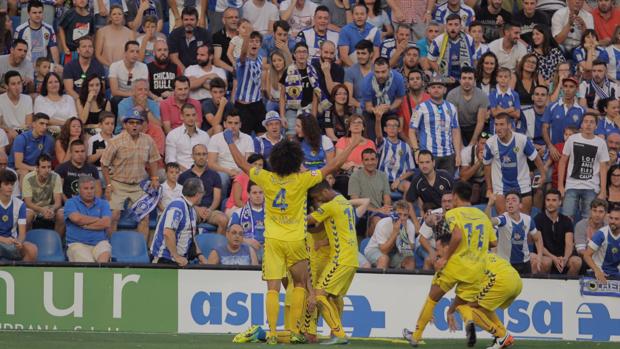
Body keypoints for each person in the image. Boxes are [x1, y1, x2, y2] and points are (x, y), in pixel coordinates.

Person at [223, 124, 363, 343]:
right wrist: (352, 144)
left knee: (272, 288)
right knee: (300, 284)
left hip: (273, 240)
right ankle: (296, 331)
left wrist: (230, 141)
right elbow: (333, 165)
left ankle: (270, 333)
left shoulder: (266, 178)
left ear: (276, 160)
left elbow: (242, 163)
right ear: (295, 160)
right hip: (296, 240)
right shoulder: (302, 180)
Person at [403, 181, 497, 347]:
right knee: (464, 304)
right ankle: (469, 323)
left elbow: (458, 236)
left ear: (455, 196)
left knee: (432, 298)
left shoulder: (453, 214)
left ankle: (416, 336)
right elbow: (493, 243)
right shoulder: (483, 216)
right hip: (476, 269)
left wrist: (445, 258)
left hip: (456, 265)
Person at [306, 180, 360, 345]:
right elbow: (325, 227)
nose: (319, 202)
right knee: (335, 296)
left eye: (317, 198)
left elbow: (308, 220)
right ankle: (334, 333)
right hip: (352, 258)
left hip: (340, 258)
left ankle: (339, 334)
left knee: (319, 294)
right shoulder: (344, 201)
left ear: (323, 193)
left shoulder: (330, 206)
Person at [443, 243, 521, 349]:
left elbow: (461, 298)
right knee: (482, 307)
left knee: (465, 307)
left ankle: (501, 335)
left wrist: (450, 311)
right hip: (516, 279)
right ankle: (505, 337)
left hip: (500, 280)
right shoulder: (480, 253)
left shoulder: (463, 263)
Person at [101, 107, 161, 239]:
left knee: (144, 217)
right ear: (125, 124)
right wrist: (109, 185)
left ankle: (141, 251)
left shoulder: (148, 140)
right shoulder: (115, 141)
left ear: (142, 125)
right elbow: (104, 164)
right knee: (114, 215)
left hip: (139, 185)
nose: (134, 126)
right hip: (118, 183)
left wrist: (155, 178)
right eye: (131, 123)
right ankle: (111, 249)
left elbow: (153, 160)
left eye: (137, 123)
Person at [483, 113, 545, 214]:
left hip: (522, 184)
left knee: (525, 220)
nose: (498, 128)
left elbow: (536, 158)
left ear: (509, 125)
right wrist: (489, 188)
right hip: (500, 186)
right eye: (496, 124)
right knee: (504, 222)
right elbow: (487, 165)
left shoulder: (522, 139)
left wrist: (543, 175)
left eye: (502, 124)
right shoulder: (490, 143)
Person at [559, 113, 609, 219]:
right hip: (572, 185)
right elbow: (562, 162)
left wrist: (603, 190)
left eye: (592, 122)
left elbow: (603, 168)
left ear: (596, 126)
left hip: (591, 187)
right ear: (581, 124)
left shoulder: (601, 143)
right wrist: (560, 185)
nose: (588, 125)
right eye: (586, 121)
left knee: (589, 219)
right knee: (566, 218)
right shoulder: (572, 139)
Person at [409, 77, 462, 173]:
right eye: (433, 87)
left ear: (445, 90)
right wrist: (416, 151)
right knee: (428, 185)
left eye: (439, 87)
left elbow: (455, 131)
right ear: (428, 90)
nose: (436, 90)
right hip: (428, 155)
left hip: (448, 155)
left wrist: (458, 153)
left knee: (448, 185)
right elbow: (412, 131)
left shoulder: (452, 107)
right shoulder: (420, 107)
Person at [150, 177, 208, 266]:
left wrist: (200, 256)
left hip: (179, 260)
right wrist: (176, 256)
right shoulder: (177, 206)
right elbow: (168, 232)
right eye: (202, 193)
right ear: (197, 194)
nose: (203, 196)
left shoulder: (191, 209)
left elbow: (190, 236)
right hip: (164, 260)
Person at [486, 191, 546, 275]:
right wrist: (489, 205)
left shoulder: (528, 219)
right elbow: (489, 221)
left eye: (513, 200)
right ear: (506, 206)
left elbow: (537, 238)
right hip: (506, 264)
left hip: (525, 263)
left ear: (520, 205)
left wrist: (539, 256)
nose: (510, 202)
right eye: (507, 201)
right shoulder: (503, 219)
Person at [178, 144, 228, 234]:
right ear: (192, 156)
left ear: (207, 156)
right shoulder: (184, 176)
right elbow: (182, 197)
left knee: (223, 220)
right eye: (198, 154)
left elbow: (217, 198)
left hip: (210, 210)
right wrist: (197, 209)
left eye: (204, 154)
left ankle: (217, 246)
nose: (201, 157)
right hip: (191, 209)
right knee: (182, 218)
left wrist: (210, 210)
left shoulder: (214, 175)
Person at [535, 189, 583, 275]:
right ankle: (543, 287)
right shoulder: (538, 219)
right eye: (548, 200)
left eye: (554, 200)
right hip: (546, 256)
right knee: (546, 262)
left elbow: (569, 243)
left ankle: (567, 287)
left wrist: (565, 258)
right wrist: (553, 258)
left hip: (562, 257)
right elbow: (539, 244)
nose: (550, 203)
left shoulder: (566, 220)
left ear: (560, 202)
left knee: (577, 261)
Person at [64, 176, 111, 262]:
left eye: (92, 188)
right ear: (79, 190)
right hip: (77, 243)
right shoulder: (70, 202)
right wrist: (98, 219)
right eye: (86, 188)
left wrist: (85, 225)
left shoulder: (103, 203)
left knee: (103, 260)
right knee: (88, 263)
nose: (89, 191)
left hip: (100, 242)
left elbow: (106, 223)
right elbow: (77, 219)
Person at [207, 112, 254, 200]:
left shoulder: (248, 139)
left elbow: (248, 163)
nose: (233, 126)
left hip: (241, 171)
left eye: (236, 123)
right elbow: (211, 164)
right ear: (224, 124)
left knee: (249, 177)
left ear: (240, 125)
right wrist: (228, 171)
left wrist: (239, 173)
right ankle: (220, 207)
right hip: (222, 170)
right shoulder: (215, 138)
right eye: (230, 123)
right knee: (223, 178)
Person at [279, 42, 321, 137]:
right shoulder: (288, 71)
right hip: (292, 109)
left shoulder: (313, 71)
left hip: (308, 108)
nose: (301, 54)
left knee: (309, 135)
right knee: (291, 135)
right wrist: (282, 116)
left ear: (308, 54)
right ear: (294, 55)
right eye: (298, 52)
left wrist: (313, 116)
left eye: (304, 52)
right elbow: (282, 96)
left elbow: (315, 96)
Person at [362, 56, 406, 141]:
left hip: (390, 111)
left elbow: (399, 99)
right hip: (371, 113)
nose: (380, 75)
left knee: (392, 137)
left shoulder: (398, 78)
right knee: (373, 139)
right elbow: (368, 106)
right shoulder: (366, 82)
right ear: (373, 70)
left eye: (383, 72)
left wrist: (390, 108)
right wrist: (377, 110)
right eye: (377, 72)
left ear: (389, 69)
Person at [348, 148, 392, 233]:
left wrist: (386, 208)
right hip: (363, 215)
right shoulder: (355, 176)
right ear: (362, 162)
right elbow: (355, 202)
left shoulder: (382, 175)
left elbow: (387, 196)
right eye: (366, 160)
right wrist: (377, 211)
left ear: (377, 160)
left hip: (380, 211)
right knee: (378, 221)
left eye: (372, 159)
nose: (370, 163)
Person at [405, 150, 453, 226]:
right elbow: (408, 201)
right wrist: (416, 223)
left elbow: (457, 197)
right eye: (421, 162)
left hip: (450, 214)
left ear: (433, 163)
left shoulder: (445, 177)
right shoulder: (417, 182)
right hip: (431, 217)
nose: (424, 166)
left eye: (427, 162)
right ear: (418, 163)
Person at [363, 200, 415, 269]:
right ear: (393, 214)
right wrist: (395, 232)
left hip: (395, 252)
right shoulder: (383, 224)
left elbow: (407, 251)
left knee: (410, 260)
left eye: (405, 215)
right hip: (375, 249)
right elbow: (384, 251)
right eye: (399, 214)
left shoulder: (410, 225)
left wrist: (403, 232)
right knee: (384, 259)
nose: (402, 218)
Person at [0, 169, 37, 262]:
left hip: (12, 243)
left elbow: (22, 233)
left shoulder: (20, 204)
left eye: (12, 184)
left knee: (32, 249)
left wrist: (19, 242)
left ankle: (24, 275)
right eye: (6, 184)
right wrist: (3, 239)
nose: (10, 187)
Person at [427, 14, 475, 85]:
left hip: (464, 77)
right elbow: (430, 60)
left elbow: (472, 58)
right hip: (445, 78)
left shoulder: (469, 39)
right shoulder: (438, 41)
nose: (453, 28)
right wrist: (443, 75)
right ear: (446, 26)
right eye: (450, 24)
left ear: (461, 26)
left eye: (456, 24)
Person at [446, 67, 489, 146]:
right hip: (457, 127)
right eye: (464, 78)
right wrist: (460, 145)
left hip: (474, 127)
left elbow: (480, 122)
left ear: (474, 81)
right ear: (460, 80)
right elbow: (455, 122)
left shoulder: (482, 96)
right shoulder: (452, 95)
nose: (467, 81)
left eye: (470, 78)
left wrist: (472, 144)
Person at [542, 76, 586, 153]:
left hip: (573, 152)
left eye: (571, 87)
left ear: (577, 89)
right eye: (565, 86)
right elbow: (544, 128)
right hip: (553, 151)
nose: (567, 90)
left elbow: (582, 132)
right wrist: (550, 146)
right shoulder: (552, 106)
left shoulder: (581, 110)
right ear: (562, 88)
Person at [236, 31, 267, 135]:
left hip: (258, 104)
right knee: (244, 138)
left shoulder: (261, 60)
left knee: (263, 135)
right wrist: (246, 36)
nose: (254, 44)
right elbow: (243, 54)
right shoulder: (241, 61)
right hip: (243, 105)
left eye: (257, 41)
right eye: (251, 41)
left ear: (260, 44)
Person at [22, 154, 63, 233]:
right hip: (33, 208)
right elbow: (28, 203)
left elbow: (58, 202)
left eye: (49, 167)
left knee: (61, 215)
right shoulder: (28, 178)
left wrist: (51, 209)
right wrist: (42, 210)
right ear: (37, 168)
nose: (47, 170)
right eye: (43, 167)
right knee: (27, 216)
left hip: (50, 208)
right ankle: (26, 242)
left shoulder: (56, 177)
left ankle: (58, 242)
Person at [165, 103, 210, 171]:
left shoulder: (204, 135)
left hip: (201, 172)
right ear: (181, 116)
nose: (191, 118)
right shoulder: (173, 135)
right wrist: (188, 172)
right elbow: (170, 160)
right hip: (179, 173)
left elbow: (208, 158)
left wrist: (198, 171)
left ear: (196, 116)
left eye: (193, 115)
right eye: (188, 115)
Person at [376, 115, 415, 194]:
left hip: (399, 181)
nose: (392, 128)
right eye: (389, 125)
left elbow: (411, 170)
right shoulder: (383, 142)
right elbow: (379, 136)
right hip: (382, 181)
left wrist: (399, 180)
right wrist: (378, 119)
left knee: (408, 186)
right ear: (385, 129)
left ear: (399, 129)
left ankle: (406, 206)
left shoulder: (405, 146)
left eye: (395, 126)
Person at [9, 112, 54, 179]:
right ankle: (25, 190)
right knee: (25, 172)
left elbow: (45, 160)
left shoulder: (49, 140)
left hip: (36, 168)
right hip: (15, 169)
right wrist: (35, 169)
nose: (44, 127)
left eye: (46, 124)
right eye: (41, 123)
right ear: (33, 124)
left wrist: (41, 169)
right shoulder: (21, 138)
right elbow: (18, 164)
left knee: (50, 173)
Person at [14, 0, 59, 65]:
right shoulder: (20, 29)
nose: (38, 15)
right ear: (29, 13)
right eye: (34, 13)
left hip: (43, 66)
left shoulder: (49, 28)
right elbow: (15, 50)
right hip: (25, 65)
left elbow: (54, 49)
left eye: (40, 12)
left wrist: (56, 65)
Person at [583, 205, 620, 283]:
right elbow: (586, 255)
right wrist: (597, 271)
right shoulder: (601, 233)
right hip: (599, 272)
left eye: (616, 219)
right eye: (611, 218)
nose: (612, 221)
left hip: (617, 273)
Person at [168, 7, 211, 72]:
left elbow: (207, 56)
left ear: (197, 21)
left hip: (200, 69)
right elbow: (174, 57)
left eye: (192, 19)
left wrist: (199, 72)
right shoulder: (174, 34)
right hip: (180, 71)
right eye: (186, 19)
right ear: (182, 21)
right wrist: (186, 72)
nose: (189, 23)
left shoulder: (205, 34)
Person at [108, 41, 149, 109]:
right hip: (120, 96)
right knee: (115, 99)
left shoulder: (143, 67)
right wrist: (131, 94)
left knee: (145, 99)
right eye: (132, 51)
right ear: (125, 53)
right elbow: (114, 92)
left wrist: (136, 95)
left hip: (137, 96)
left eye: (137, 52)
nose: (135, 54)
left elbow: (144, 88)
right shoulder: (115, 66)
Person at [398, 69, 429, 143]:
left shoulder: (430, 99)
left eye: (418, 78)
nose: (415, 81)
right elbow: (400, 130)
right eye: (412, 79)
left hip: (428, 142)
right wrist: (410, 143)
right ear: (407, 84)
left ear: (423, 82)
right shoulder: (402, 101)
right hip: (409, 142)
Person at [0, 71, 32, 140]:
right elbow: (0, 124)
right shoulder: (1, 100)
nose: (17, 87)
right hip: (7, 133)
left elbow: (28, 124)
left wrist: (18, 132)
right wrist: (10, 131)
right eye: (13, 84)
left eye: (19, 83)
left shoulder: (27, 99)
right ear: (6, 86)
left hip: (24, 133)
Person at [344, 39, 374, 111]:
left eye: (363, 53)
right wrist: (363, 106)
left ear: (371, 54)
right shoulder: (350, 71)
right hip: (359, 108)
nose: (360, 56)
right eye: (358, 53)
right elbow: (349, 98)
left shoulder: (378, 70)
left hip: (376, 107)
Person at [311, 41, 344, 105]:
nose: (328, 56)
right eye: (326, 52)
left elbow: (333, 92)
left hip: (332, 105)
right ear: (320, 51)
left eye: (332, 53)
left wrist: (327, 72)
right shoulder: (311, 66)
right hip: (314, 105)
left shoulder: (339, 69)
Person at [488, 67, 520, 132]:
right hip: (495, 128)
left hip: (510, 128)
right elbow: (494, 113)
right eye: (500, 76)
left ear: (510, 79)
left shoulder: (515, 94)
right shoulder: (492, 94)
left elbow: (517, 114)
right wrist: (509, 109)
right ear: (497, 78)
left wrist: (501, 110)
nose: (503, 79)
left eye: (506, 77)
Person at [212, 7, 239, 75]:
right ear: (224, 20)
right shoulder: (217, 36)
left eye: (236, 17)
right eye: (230, 17)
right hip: (226, 69)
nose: (234, 20)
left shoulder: (243, 35)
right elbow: (216, 60)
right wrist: (233, 70)